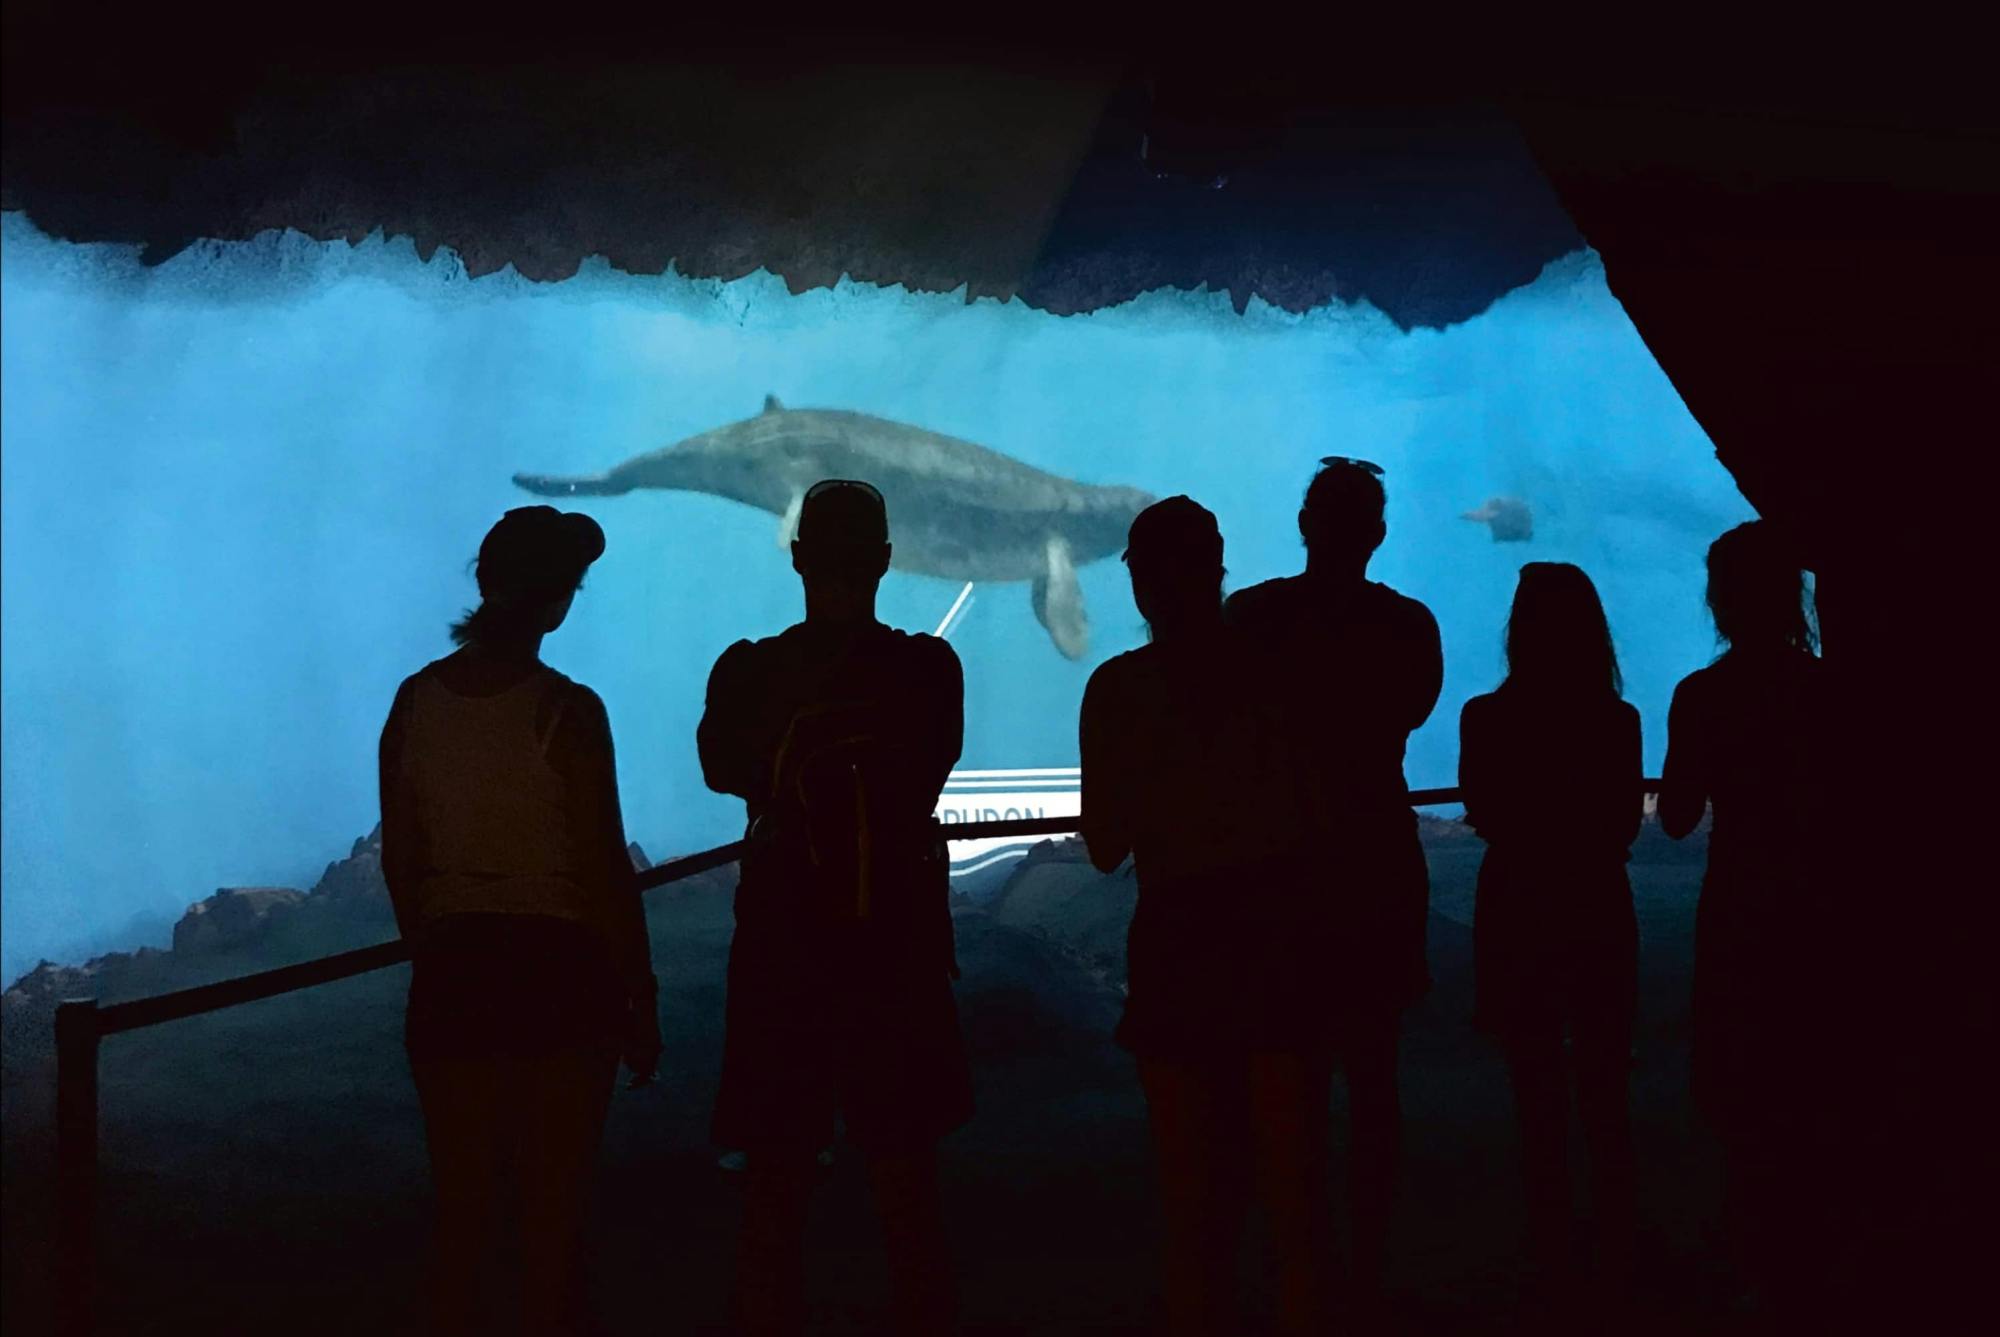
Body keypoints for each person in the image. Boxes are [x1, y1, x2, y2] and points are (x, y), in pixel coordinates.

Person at [379, 506, 661, 1337]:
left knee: (464, 1216)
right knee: (552, 1216)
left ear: (484, 582)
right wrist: (637, 994)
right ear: (560, 601)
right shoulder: (568, 711)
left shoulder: (415, 702)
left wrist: (434, 950)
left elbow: (404, 860)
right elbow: (605, 867)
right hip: (561, 979)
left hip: (455, 979)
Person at [697, 478, 970, 1337]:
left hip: (786, 961)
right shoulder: (928, 673)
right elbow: (932, 768)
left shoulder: (751, 673)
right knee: (906, 1185)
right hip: (897, 958)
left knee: (775, 1191)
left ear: (799, 558)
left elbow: (721, 767)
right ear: (886, 561)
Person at [1080, 496, 1329, 1337]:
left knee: (1187, 1180)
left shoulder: (1117, 690)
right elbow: (1309, 809)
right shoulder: (1279, 674)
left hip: (1178, 938)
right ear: (1218, 570)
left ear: (1141, 585)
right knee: (1291, 1176)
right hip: (1273, 934)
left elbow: (1106, 846)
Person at [1223, 456, 1442, 1311]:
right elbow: (1410, 709)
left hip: (1282, 872)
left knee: (1290, 1075)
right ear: (1377, 535)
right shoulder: (1407, 627)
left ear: (1306, 526)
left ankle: (1297, 1261)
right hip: (1377, 863)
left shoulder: (1252, 618)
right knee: (1375, 1069)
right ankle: (1372, 1260)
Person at [1459, 562, 1643, 1313]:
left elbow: (1484, 810)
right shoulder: (1618, 720)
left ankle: (1551, 1246)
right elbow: (1625, 824)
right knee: (1605, 1079)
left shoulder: (1485, 717)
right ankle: (1619, 1242)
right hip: (1597, 899)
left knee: (1533, 1081)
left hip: (1518, 902)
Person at [1659, 519, 1827, 1312]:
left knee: (1738, 1072)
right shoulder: (1826, 690)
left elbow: (1683, 816)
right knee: (1813, 1059)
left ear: (1720, 599)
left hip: (1741, 897)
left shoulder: (1703, 695)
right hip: (1823, 900)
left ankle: (1750, 1239)